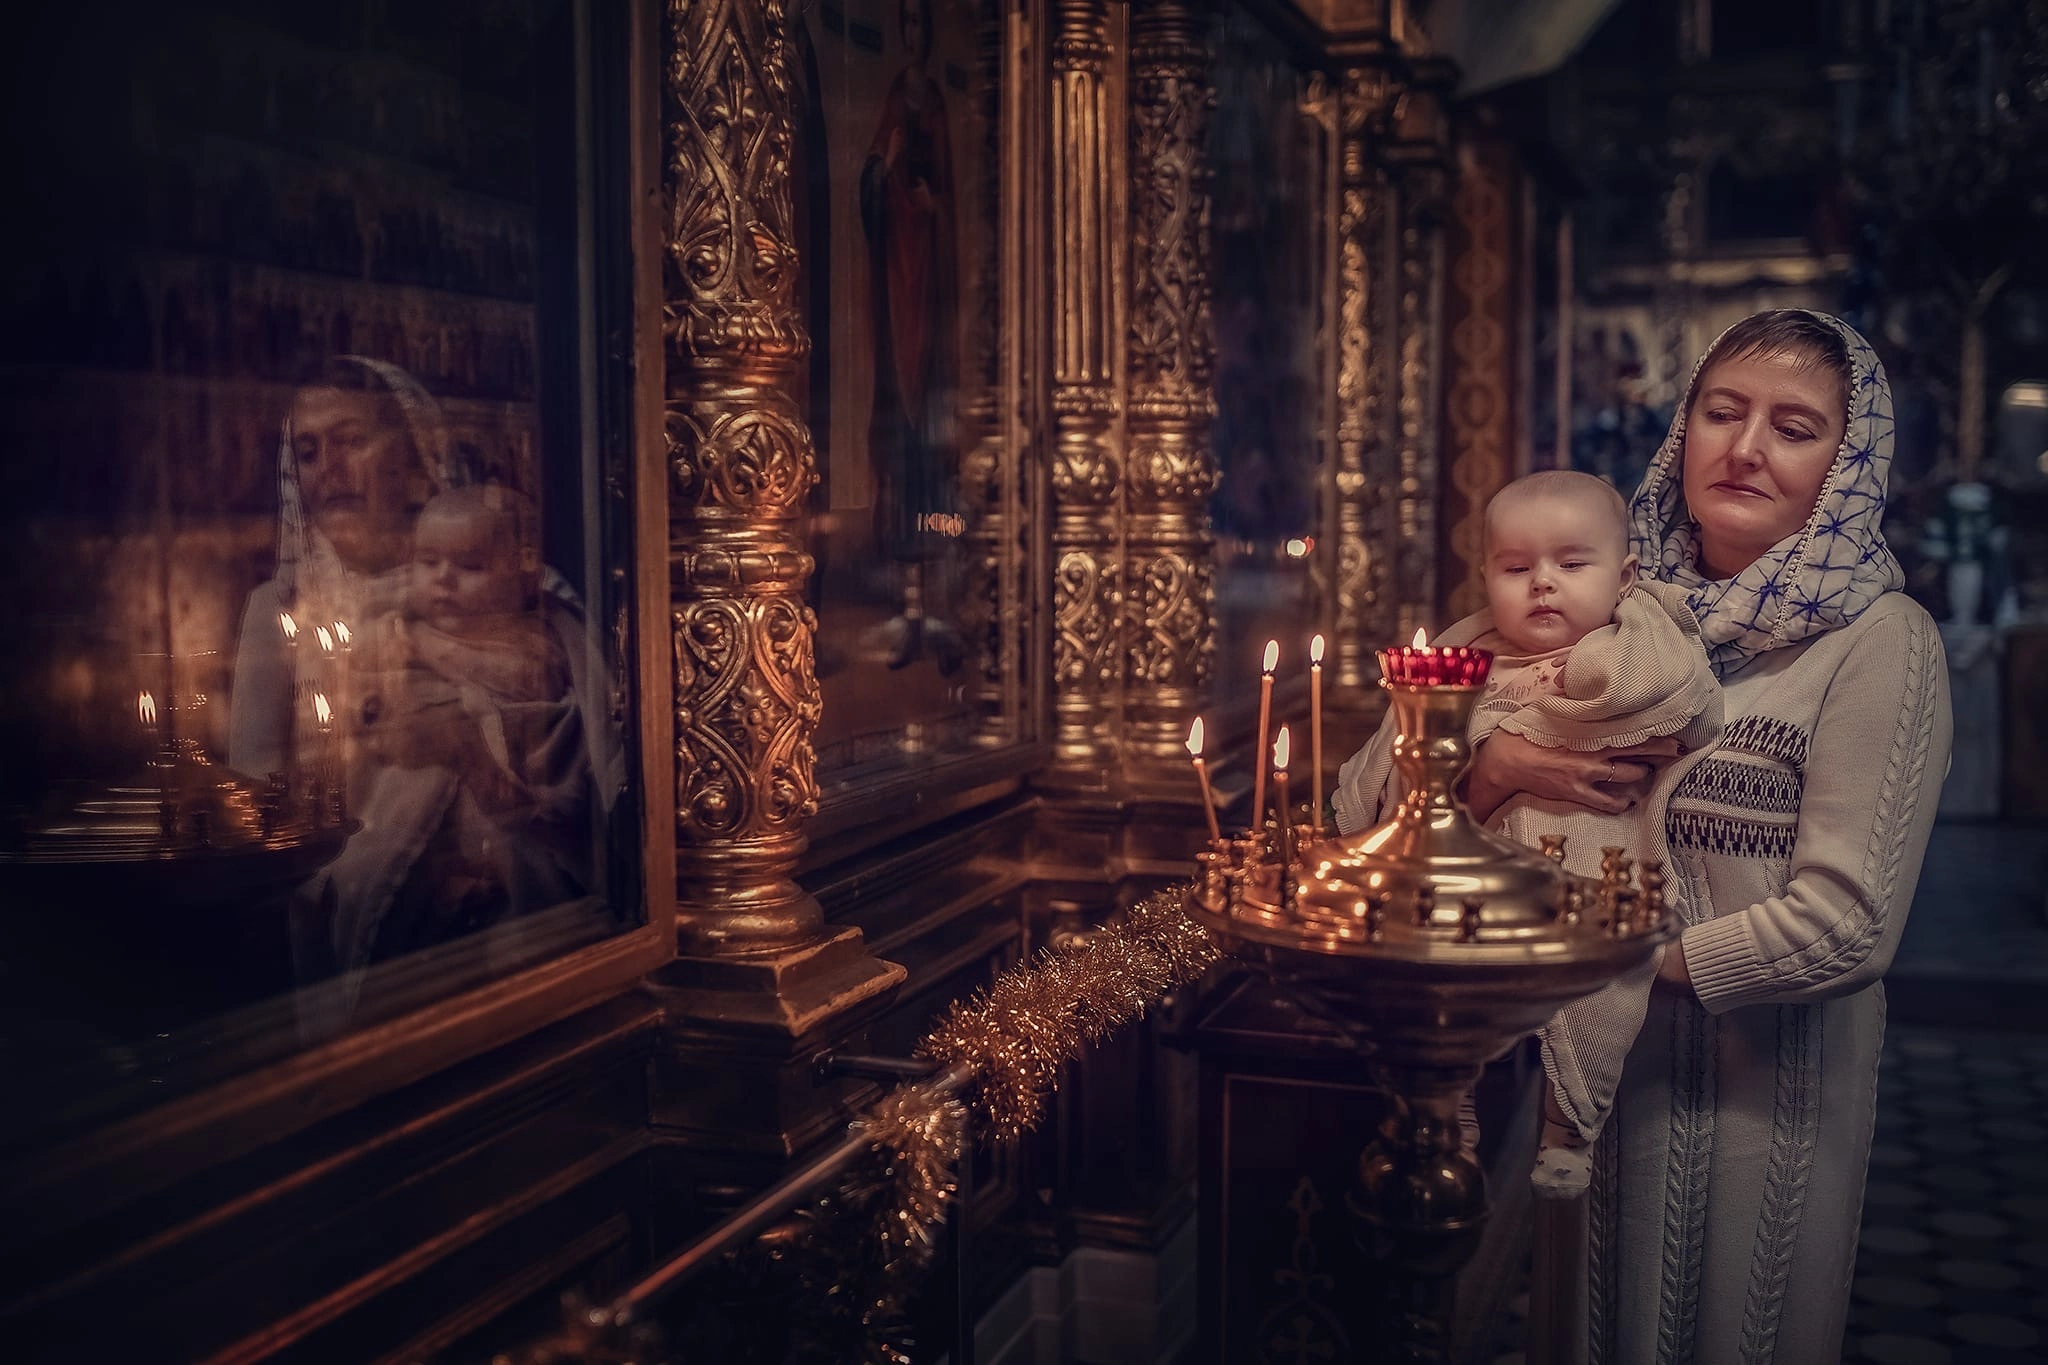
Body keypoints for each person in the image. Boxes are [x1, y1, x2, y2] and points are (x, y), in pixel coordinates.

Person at [1454, 309, 1947, 1362]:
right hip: (1583, 1109)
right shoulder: (1606, 615)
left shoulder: (1876, 641)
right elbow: (1398, 817)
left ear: (1845, 465)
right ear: (1681, 433)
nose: (1745, 447)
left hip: (1752, 1116)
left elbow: (1844, 927)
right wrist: (1491, 770)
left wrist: (1611, 966)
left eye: (1793, 426)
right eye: (1721, 412)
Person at [1333, 468, 1723, 1187]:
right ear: (1486, 574)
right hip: (1476, 873)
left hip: (1589, 862)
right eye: (1517, 567)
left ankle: (1569, 1126)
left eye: (1572, 564)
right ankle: (1448, 1109)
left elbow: (1684, 706)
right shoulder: (1470, 653)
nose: (1543, 582)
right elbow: (1412, 760)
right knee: (1437, 986)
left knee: (1600, 991)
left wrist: (1573, 702)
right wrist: (1495, 748)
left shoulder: (1639, 644)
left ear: (1625, 575)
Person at [859, 0, 963, 673]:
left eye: (923, 26)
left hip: (932, 303)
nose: (915, 36)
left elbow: (948, 199)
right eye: (909, 26)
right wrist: (888, 167)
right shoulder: (897, 100)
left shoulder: (940, 111)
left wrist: (934, 209)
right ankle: (906, 608)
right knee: (898, 442)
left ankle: (933, 610)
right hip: (897, 298)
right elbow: (871, 185)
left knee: (931, 451)